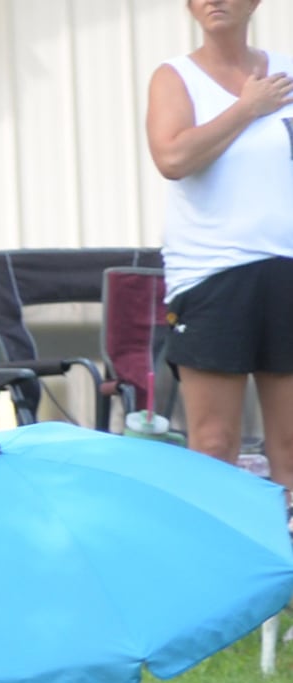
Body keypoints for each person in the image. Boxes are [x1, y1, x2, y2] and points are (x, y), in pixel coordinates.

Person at [148, 0, 293, 492]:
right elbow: (172, 157)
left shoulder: (286, 73)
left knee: (290, 447)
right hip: (211, 276)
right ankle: (213, 567)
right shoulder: (175, 77)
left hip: (285, 272)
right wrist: (247, 109)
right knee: (213, 445)